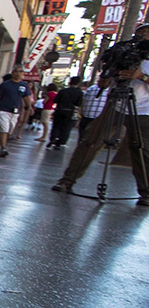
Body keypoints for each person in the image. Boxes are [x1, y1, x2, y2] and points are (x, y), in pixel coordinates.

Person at [52, 22, 149, 203]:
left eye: (147, 32)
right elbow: (107, 76)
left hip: (143, 111)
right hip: (115, 104)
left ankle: (146, 193)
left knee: (142, 150)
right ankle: (67, 180)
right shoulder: (124, 52)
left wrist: (140, 77)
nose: (143, 35)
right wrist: (107, 77)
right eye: (141, 32)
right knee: (90, 141)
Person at [0, 64, 30, 157]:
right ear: (12, 73)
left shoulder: (24, 85)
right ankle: (3, 148)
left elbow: (26, 98)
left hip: (14, 112)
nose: (18, 73)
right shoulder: (5, 85)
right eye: (16, 71)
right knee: (4, 129)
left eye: (20, 71)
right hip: (2, 110)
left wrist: (29, 108)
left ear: (23, 73)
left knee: (7, 131)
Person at [78, 75, 110, 139]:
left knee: (90, 135)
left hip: (96, 117)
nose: (101, 82)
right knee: (85, 134)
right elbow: (83, 101)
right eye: (100, 80)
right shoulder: (92, 88)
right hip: (89, 116)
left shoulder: (109, 90)